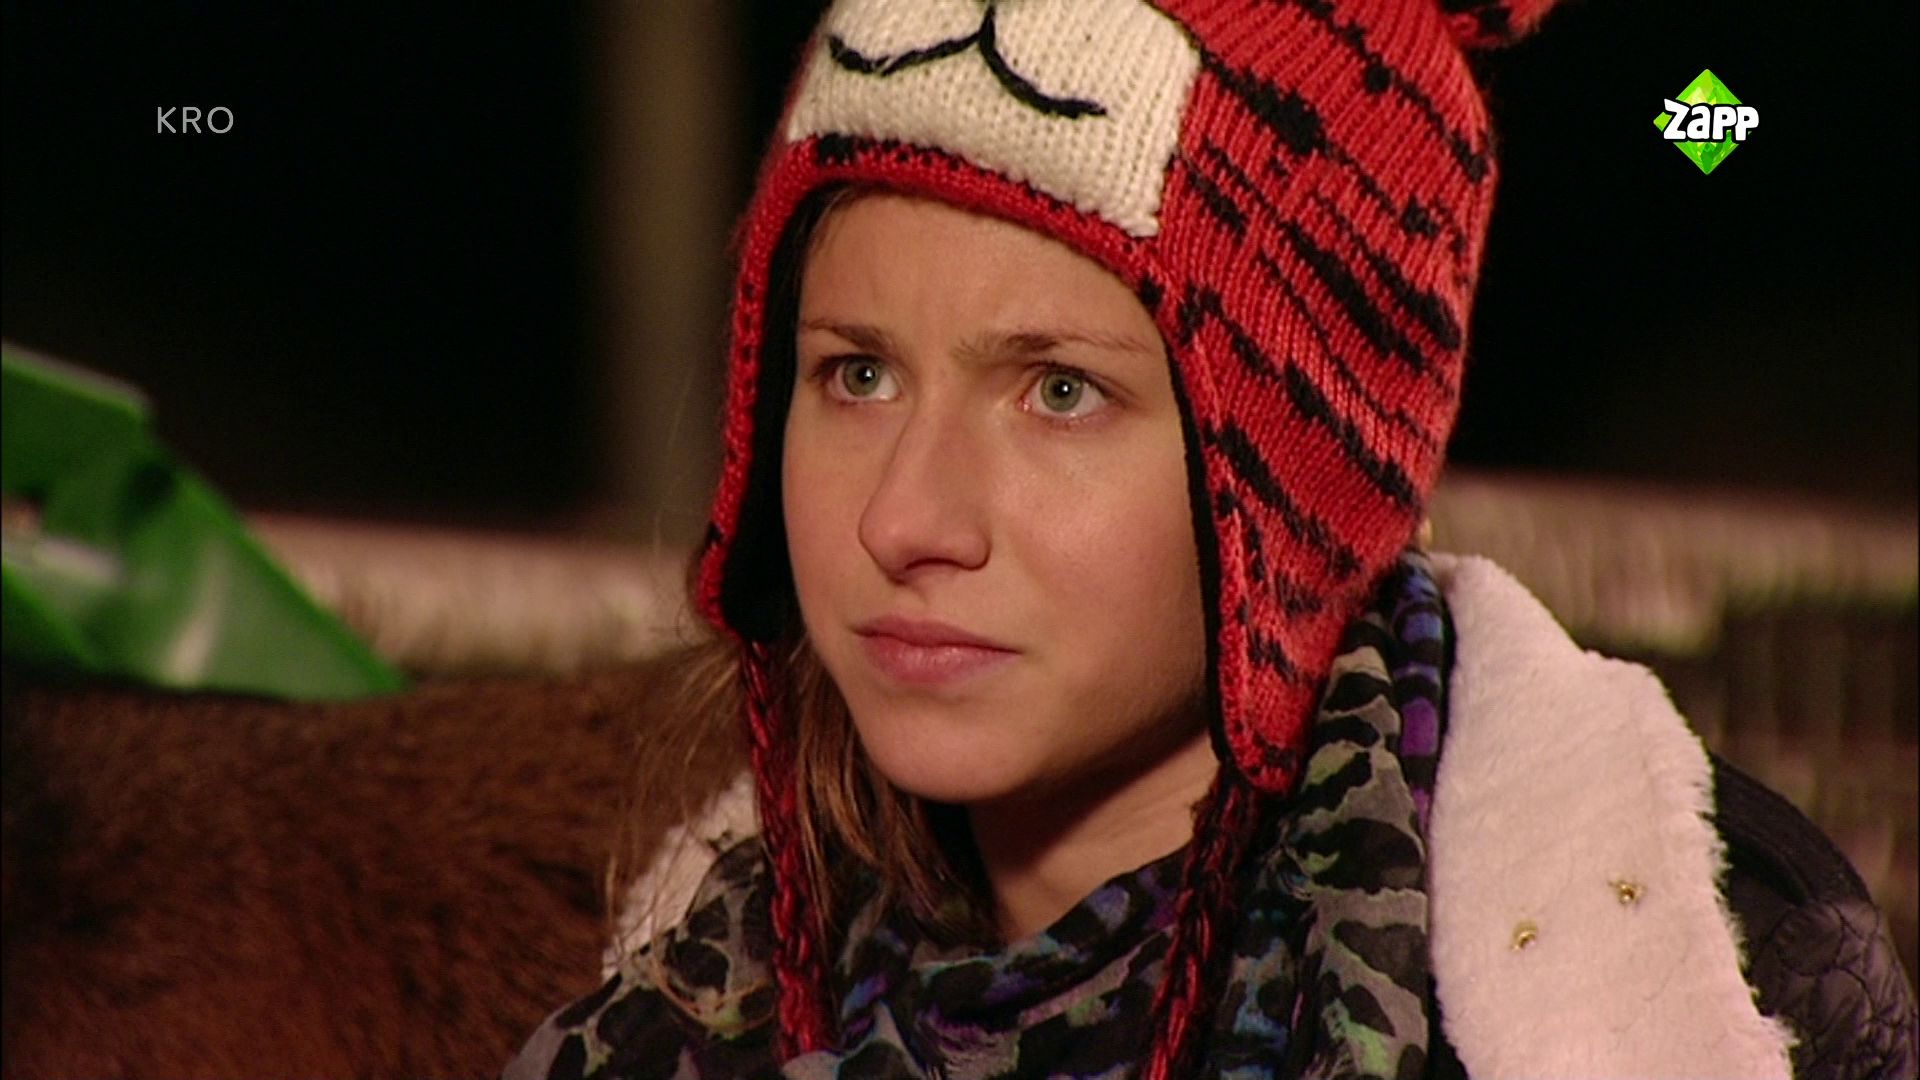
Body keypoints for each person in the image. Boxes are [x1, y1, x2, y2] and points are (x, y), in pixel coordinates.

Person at [507, 1, 1919, 1077]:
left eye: (1061, 392)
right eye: (856, 374)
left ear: (1303, 473)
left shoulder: (1714, 973)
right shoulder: (675, 1007)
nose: (903, 519)